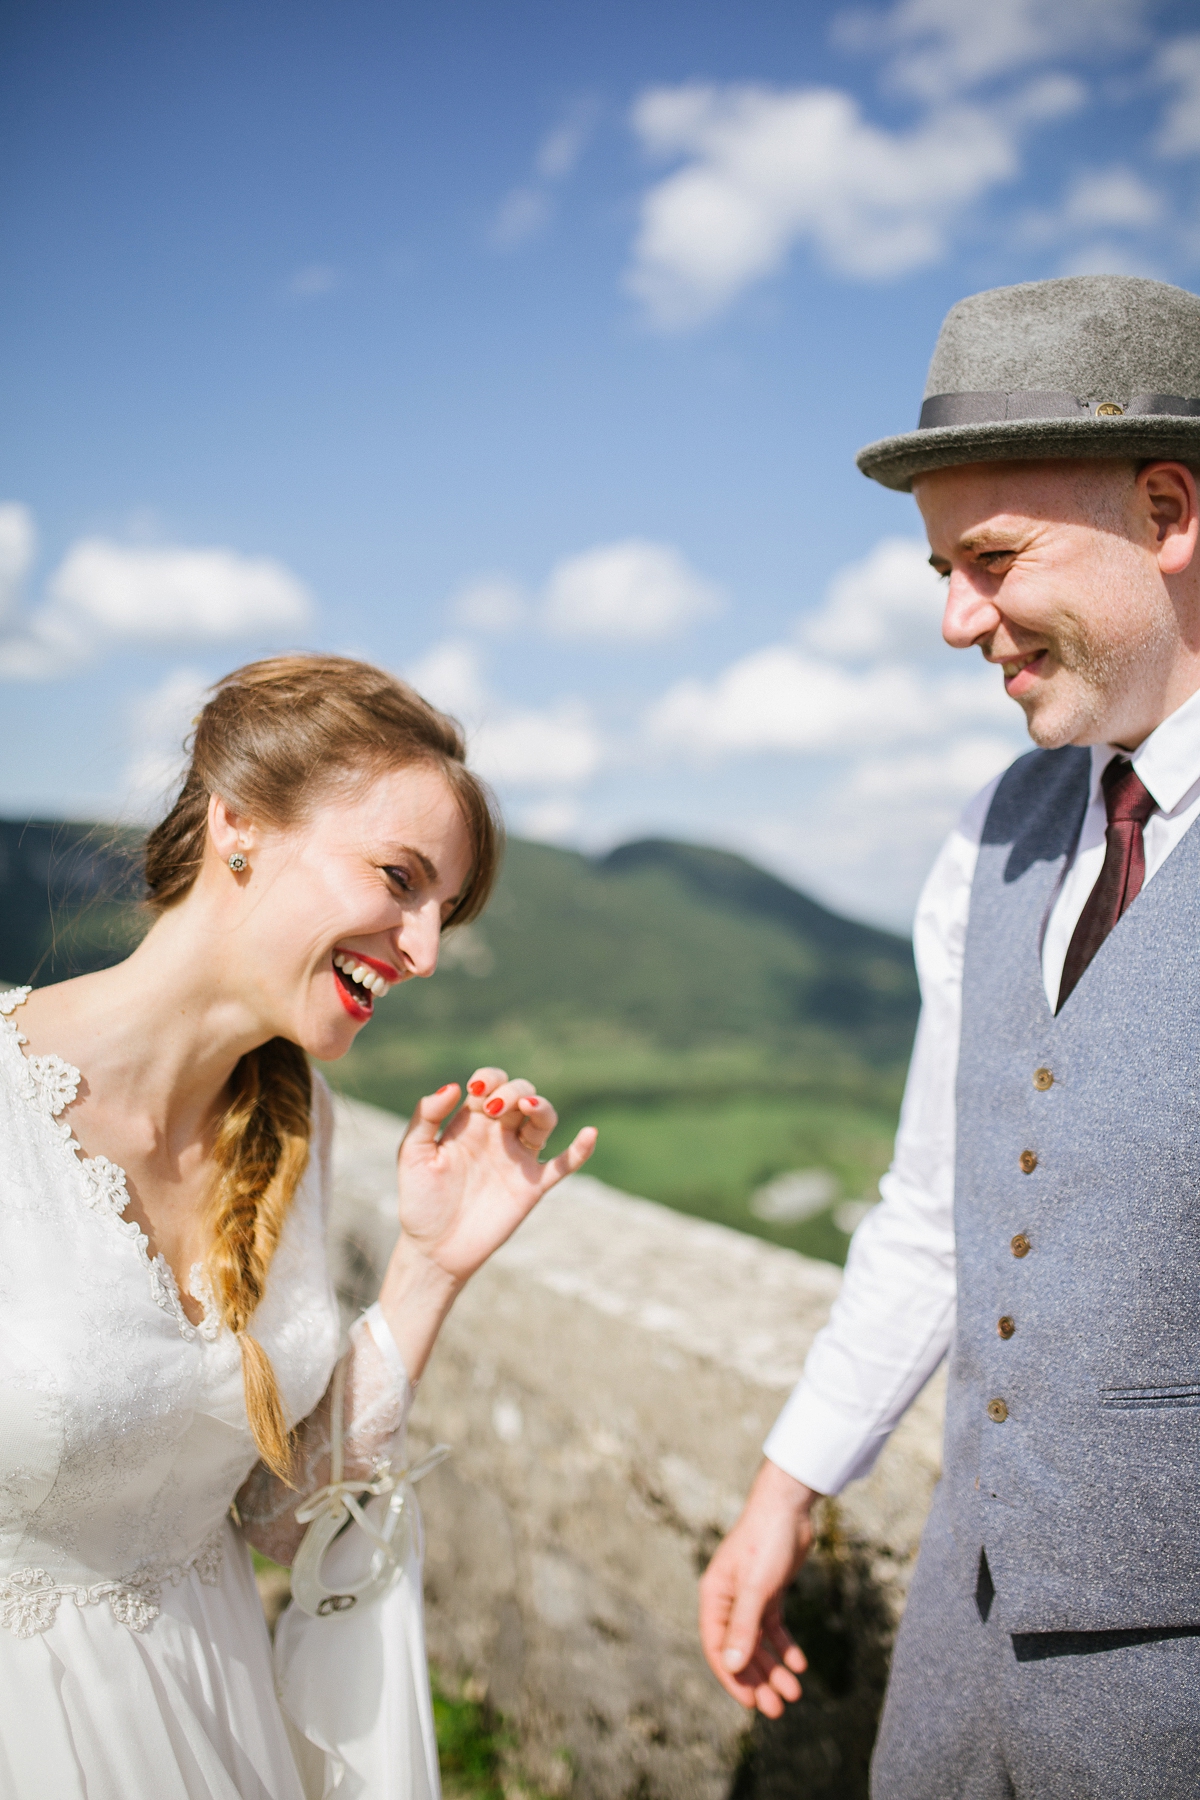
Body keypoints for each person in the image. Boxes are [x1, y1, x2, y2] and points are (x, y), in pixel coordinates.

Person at [698, 274, 1200, 1796]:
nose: (953, 620)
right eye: (941, 568)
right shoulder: (999, 829)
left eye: (990, 559)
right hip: (963, 1638)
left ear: (1170, 509)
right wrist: (791, 1485)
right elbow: (941, 1213)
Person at [0, 652, 596, 1800]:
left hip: (212, 1729)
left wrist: (431, 1267)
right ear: (240, 825)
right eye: (399, 879)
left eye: (445, 911)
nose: (423, 950)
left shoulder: (299, 1124)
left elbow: (276, 1515)